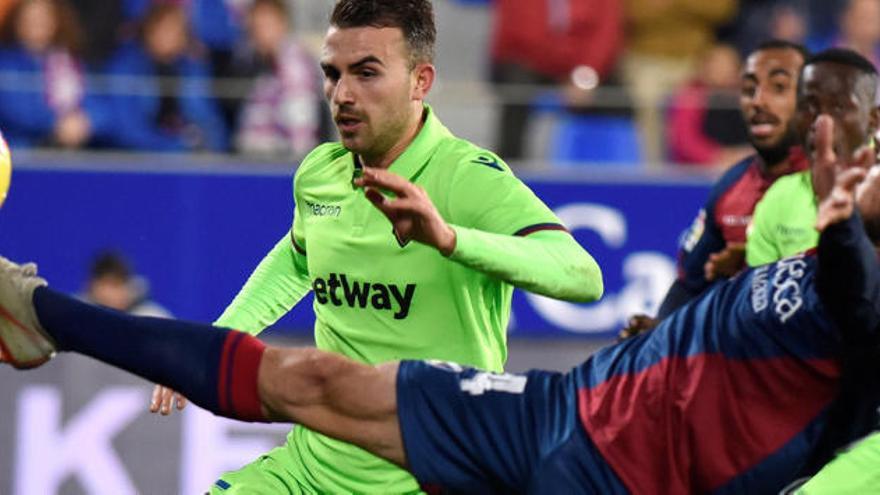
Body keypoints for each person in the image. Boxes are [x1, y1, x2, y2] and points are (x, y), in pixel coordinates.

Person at [1, 110, 879, 493]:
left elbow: (855, 303)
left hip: (623, 482)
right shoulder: (792, 218)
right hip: (562, 407)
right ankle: (36, 311)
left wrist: (839, 229)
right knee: (314, 380)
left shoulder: (849, 254)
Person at [151, 1, 603, 493]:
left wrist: (450, 240)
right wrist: (213, 346)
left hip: (430, 476)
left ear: (420, 81)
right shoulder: (320, 173)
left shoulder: (468, 177)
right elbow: (297, 258)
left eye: (366, 73)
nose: (342, 95)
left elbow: (581, 274)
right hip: (311, 471)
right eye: (332, 73)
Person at [621, 40, 810, 336]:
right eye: (748, 89)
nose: (758, 101)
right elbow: (689, 284)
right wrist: (658, 334)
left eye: (779, 87)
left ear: (810, 99)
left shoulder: (845, 185)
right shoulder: (731, 186)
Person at [746, 48, 880, 267]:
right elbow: (762, 294)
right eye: (809, 106)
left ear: (874, 120)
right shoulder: (779, 199)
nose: (821, 122)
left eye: (838, 107)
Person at [489, 0, 623, 161]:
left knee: (620, 100)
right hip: (534, 63)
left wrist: (584, 75)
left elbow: (605, 35)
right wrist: (559, 69)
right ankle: (510, 164)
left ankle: (606, 171)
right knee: (516, 87)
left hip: (584, 68)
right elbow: (521, 35)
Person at [96, 2, 228, 152]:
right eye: (163, 29)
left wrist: (213, 149)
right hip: (138, 159)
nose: (169, 37)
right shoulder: (126, 67)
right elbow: (128, 129)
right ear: (148, 31)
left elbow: (209, 120)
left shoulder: (193, 68)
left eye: (176, 31)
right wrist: (174, 148)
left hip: (186, 156)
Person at [230, 0, 325, 159]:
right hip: (256, 163)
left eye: (266, 26)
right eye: (255, 27)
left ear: (283, 24)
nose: (260, 33)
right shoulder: (258, 64)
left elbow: (301, 131)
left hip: (281, 167)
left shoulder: (294, 65)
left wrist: (297, 169)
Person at [0, 0, 96, 149]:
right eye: (29, 19)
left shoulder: (70, 61)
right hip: (19, 150)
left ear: (55, 21)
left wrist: (88, 120)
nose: (36, 24)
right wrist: (56, 124)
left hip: (70, 151)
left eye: (43, 18)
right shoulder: (5, 63)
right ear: (16, 22)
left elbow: (98, 102)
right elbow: (12, 110)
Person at [665, 43, 751, 167]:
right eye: (716, 65)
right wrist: (717, 157)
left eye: (727, 65)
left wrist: (745, 156)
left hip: (742, 166)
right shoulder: (690, 96)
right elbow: (685, 141)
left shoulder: (749, 98)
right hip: (697, 172)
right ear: (704, 67)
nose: (722, 70)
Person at [80, 251, 172, 318]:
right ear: (91, 285)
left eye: (116, 285)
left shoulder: (152, 316)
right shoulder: (76, 317)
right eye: (106, 284)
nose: (111, 293)